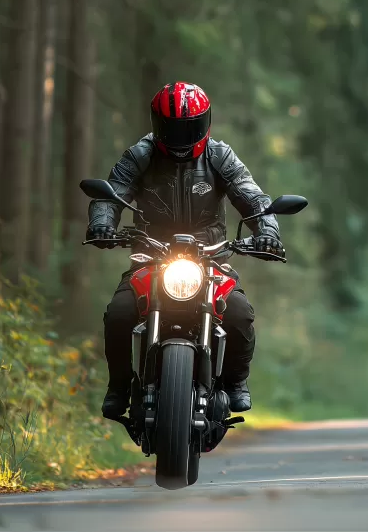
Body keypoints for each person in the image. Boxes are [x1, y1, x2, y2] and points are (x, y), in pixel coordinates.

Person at [86, 82, 283, 419]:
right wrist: (102, 223)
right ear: (156, 123)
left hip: (210, 258)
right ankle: (118, 386)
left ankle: (236, 382)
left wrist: (267, 231)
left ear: (205, 123)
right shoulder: (140, 155)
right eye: (172, 127)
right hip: (150, 256)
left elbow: (253, 197)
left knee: (238, 313)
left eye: (189, 126)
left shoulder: (220, 156)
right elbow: (110, 194)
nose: (181, 135)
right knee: (119, 312)